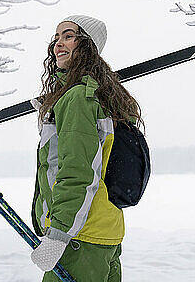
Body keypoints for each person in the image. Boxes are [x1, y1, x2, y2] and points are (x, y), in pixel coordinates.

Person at [30, 15, 142, 282]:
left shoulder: (78, 97)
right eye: (57, 37)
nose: (58, 44)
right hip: (107, 234)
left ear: (87, 45)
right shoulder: (105, 95)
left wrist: (58, 235)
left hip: (78, 238)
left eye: (68, 36)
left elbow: (77, 172)